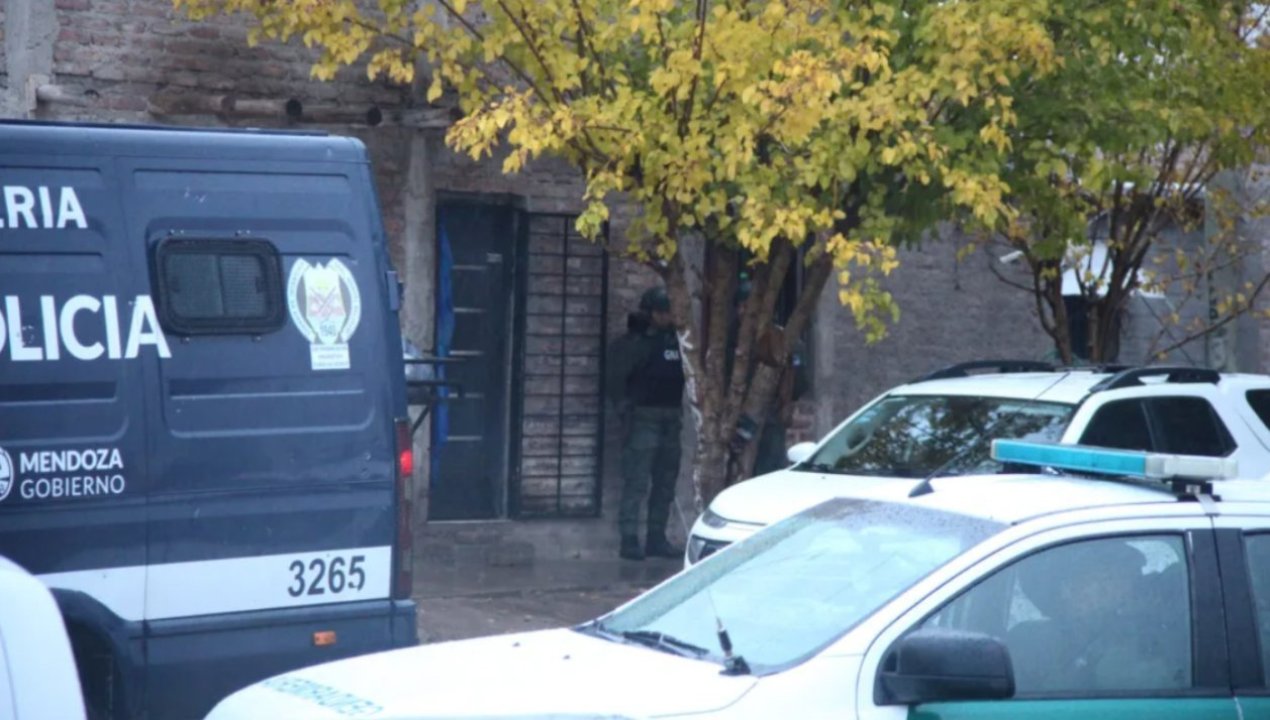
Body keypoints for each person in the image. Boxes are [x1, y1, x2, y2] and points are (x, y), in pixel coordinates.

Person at [605, 286, 685, 561]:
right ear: (651, 313)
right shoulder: (634, 343)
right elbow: (615, 378)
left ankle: (656, 537)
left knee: (665, 483)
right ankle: (629, 538)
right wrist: (625, 409)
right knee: (637, 481)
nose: (668, 317)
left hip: (671, 418)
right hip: (644, 418)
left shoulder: (678, 341)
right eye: (663, 312)